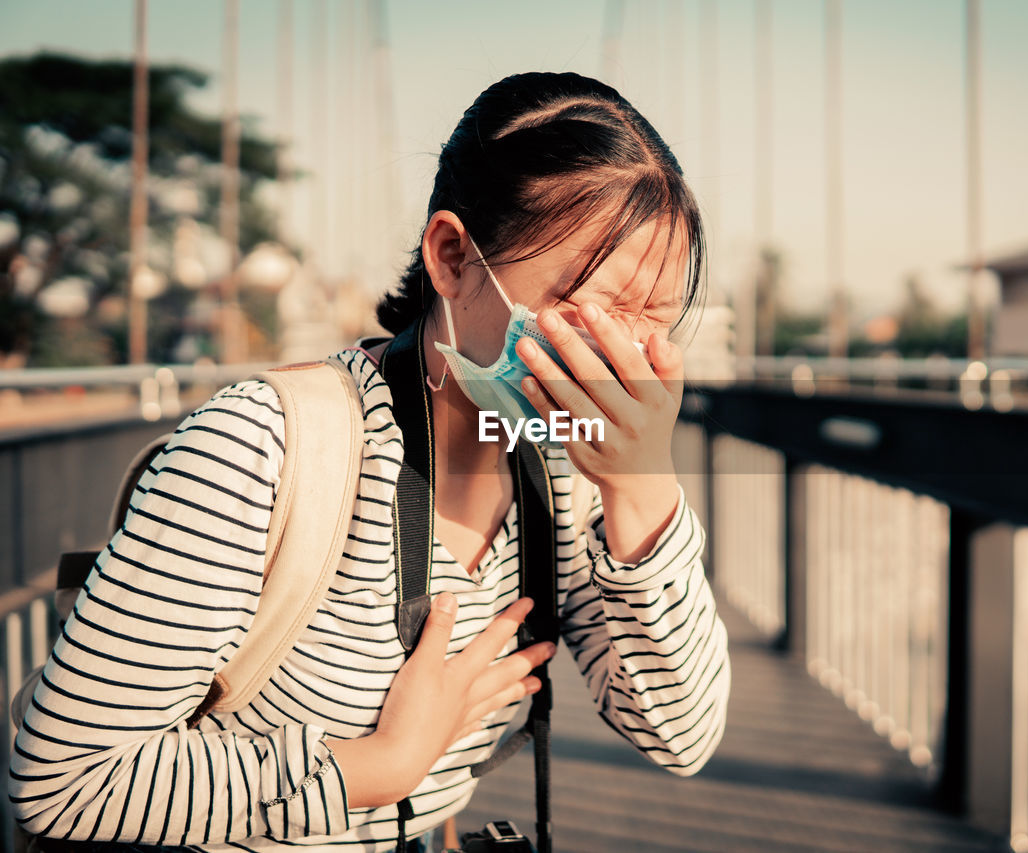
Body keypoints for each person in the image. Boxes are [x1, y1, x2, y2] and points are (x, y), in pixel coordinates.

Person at [7, 72, 731, 852]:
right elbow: (63, 781)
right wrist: (375, 766)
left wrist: (642, 489)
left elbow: (680, 734)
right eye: (587, 304)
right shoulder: (264, 447)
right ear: (451, 258)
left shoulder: (561, 476)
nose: (619, 355)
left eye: (652, 321)